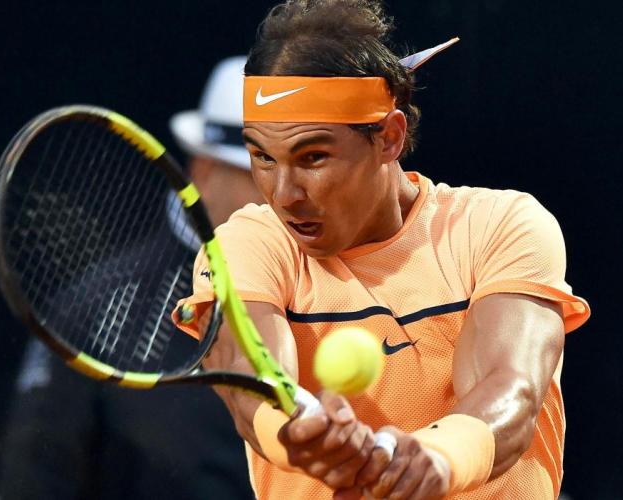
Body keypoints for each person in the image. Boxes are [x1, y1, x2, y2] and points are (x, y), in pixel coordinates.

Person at [172, 1, 590, 499]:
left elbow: (510, 390)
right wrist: (298, 433)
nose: (283, 194)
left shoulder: (501, 225)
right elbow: (253, 387)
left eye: (313, 156)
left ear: (389, 137)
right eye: (262, 156)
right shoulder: (245, 245)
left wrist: (437, 459)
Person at [0, 56, 262, 500]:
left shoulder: (341, 299)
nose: (288, 196)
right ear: (202, 171)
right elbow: (34, 482)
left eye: (306, 169)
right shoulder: (91, 314)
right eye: (261, 172)